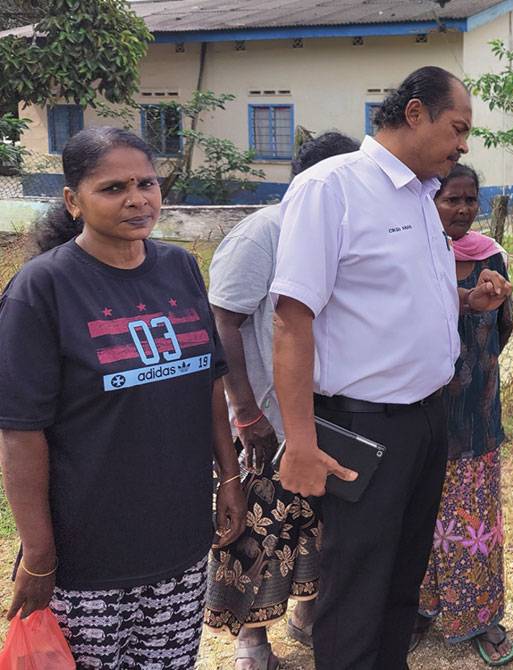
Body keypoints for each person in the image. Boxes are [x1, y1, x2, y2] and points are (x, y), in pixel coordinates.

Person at [269, 66, 512, 670]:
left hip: (427, 422)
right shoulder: (334, 188)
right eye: (457, 128)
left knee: (403, 578)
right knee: (357, 588)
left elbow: (387, 298)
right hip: (364, 428)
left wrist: (461, 301)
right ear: (414, 114)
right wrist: (298, 440)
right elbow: (292, 321)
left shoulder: (421, 194)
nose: (462, 145)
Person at [0, 127, 246, 668]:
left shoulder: (179, 267)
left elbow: (207, 377)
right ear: (73, 202)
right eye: (113, 188)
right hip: (86, 551)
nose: (137, 199)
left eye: (147, 183)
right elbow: (20, 429)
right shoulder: (42, 289)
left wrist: (229, 476)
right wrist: (39, 554)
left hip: (178, 538)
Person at [203, 130, 360, 669]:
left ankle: (305, 615)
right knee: (258, 534)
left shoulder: (342, 232)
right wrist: (245, 413)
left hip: (328, 416)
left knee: (315, 528)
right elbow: (223, 324)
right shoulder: (261, 235)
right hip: (266, 419)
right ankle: (251, 640)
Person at [411, 163, 513, 666]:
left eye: (470, 199)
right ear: (429, 202)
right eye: (451, 199)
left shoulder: (492, 257)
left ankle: (479, 616)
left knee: (473, 523)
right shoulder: (412, 254)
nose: (462, 209)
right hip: (418, 415)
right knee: (417, 519)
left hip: (474, 415)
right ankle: (419, 609)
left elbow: (504, 329)